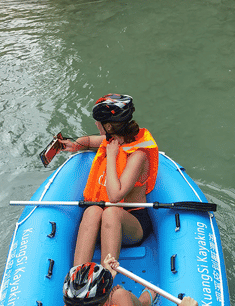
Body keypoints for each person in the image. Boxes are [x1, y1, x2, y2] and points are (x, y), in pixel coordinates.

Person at [60, 94, 159, 268]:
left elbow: (115, 195)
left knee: (111, 212)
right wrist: (75, 145)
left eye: (98, 122)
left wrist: (112, 157)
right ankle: (77, 275)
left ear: (108, 126)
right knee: (91, 211)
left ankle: (107, 277)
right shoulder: (111, 139)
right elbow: (90, 141)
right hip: (105, 217)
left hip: (131, 222)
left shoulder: (138, 156)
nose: (96, 125)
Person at [62, 255, 200, 306]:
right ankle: (144, 303)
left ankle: (143, 303)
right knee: (120, 295)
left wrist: (107, 275)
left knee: (119, 294)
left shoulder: (72, 302)